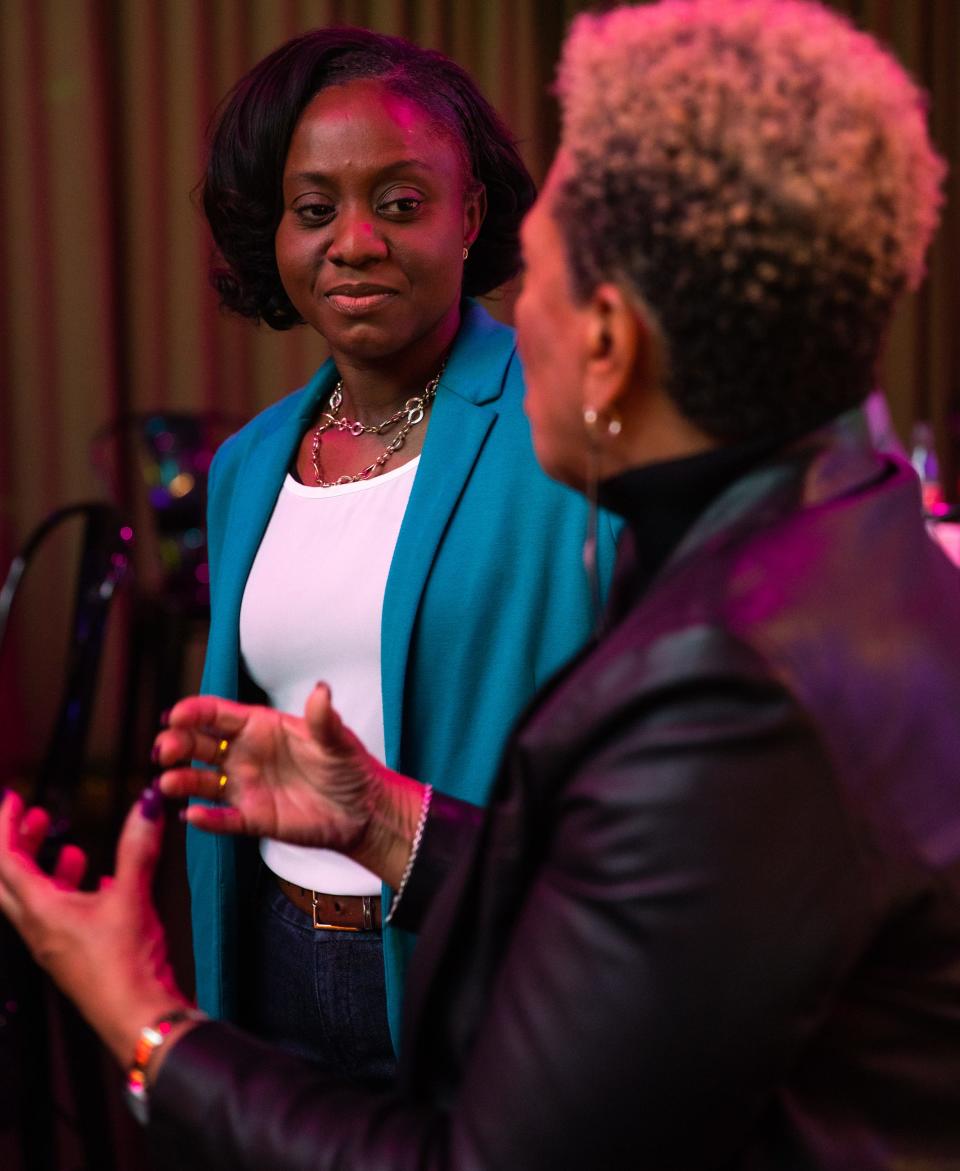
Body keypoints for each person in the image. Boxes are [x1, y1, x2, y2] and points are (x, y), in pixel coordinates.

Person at [2, 1, 959, 1167]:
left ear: (607, 341)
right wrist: (387, 820)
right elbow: (642, 907)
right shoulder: (850, 536)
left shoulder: (723, 678)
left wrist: (140, 1021)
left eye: (537, 276)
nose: (506, 331)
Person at [184, 27, 618, 1077]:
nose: (356, 243)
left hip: (474, 967)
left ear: (469, 217)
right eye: (315, 209)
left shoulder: (572, 426)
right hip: (273, 952)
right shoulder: (248, 464)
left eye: (401, 202)